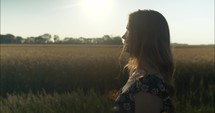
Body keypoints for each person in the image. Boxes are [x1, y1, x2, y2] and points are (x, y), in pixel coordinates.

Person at [113, 9, 175, 113]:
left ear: (143, 37)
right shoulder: (139, 74)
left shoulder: (149, 85)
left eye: (129, 30)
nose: (123, 36)